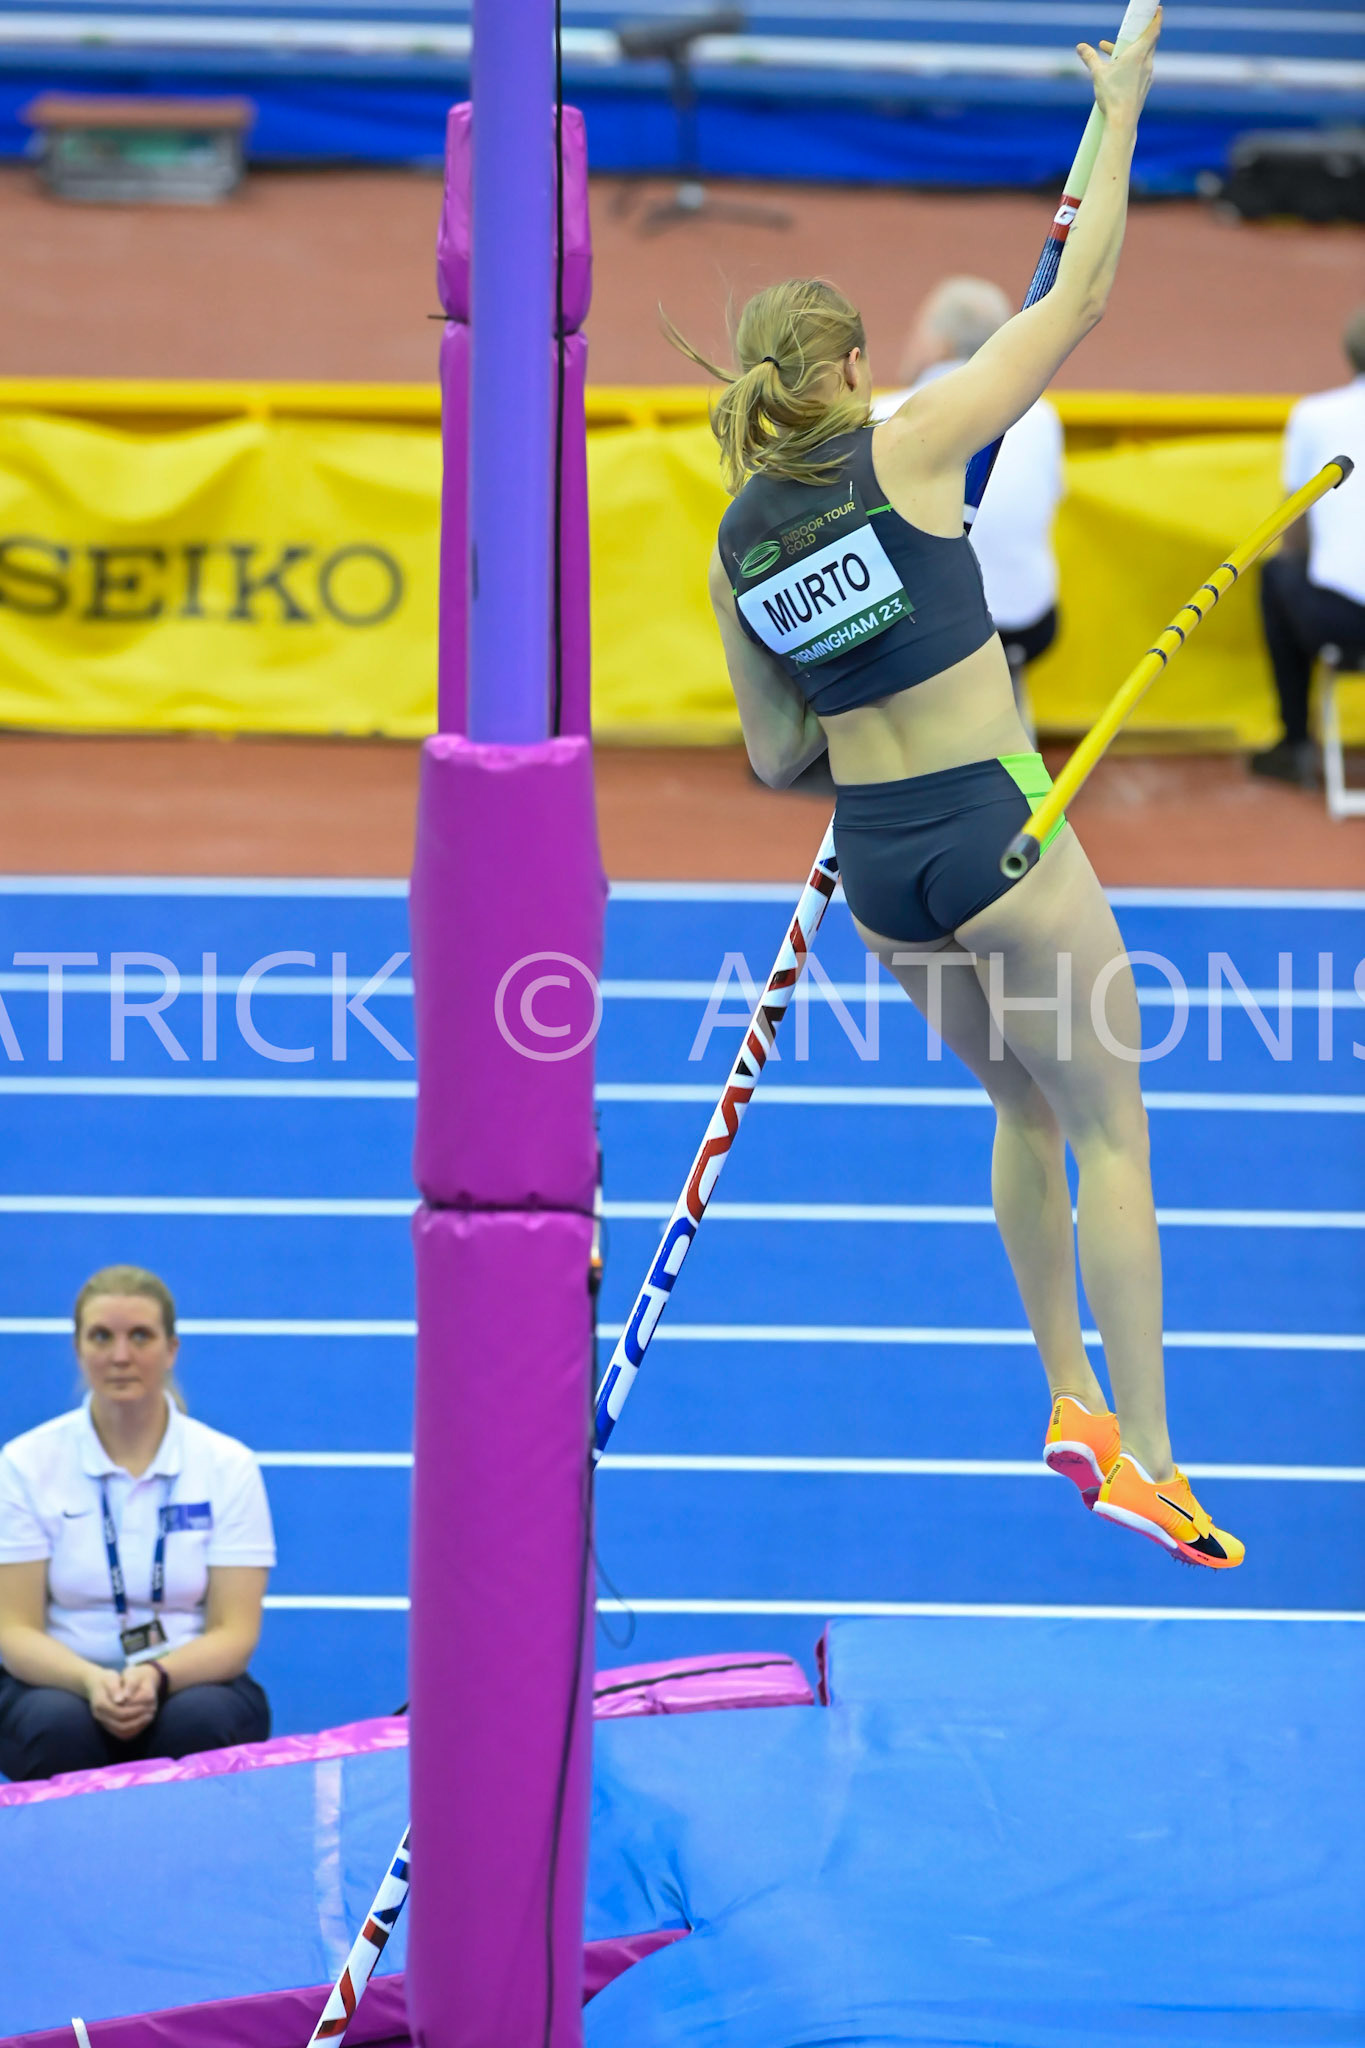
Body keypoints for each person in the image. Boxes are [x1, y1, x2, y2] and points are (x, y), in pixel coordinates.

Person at [676, 8, 1243, 1570]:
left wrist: (854, 651)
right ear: (853, 365)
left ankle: (1066, 1393)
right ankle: (1157, 1458)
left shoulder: (739, 539)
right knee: (1112, 1127)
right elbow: (1086, 293)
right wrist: (1118, 107)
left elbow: (771, 754)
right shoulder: (917, 441)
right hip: (1002, 834)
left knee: (1015, 1101)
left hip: (881, 872)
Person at [0, 1265, 276, 1780]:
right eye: (102, 1336)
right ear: (78, 1348)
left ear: (171, 1349)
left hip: (187, 1680)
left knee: (201, 1721)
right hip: (62, 1682)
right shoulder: (24, 1464)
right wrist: (88, 1681)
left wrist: (155, 1675)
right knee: (56, 1727)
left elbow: (235, 1632)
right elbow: (13, 1629)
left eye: (140, 1336)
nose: (120, 1356)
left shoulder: (226, 1465)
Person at [872, 276, 1065, 738]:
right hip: (1026, 626)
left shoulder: (884, 415)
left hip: (933, 637)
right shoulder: (1042, 415)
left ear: (937, 343)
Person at [1250, 305, 1365, 787]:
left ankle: (1294, 738)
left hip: (1343, 621)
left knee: (1278, 573)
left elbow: (1292, 530)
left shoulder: (1316, 416)